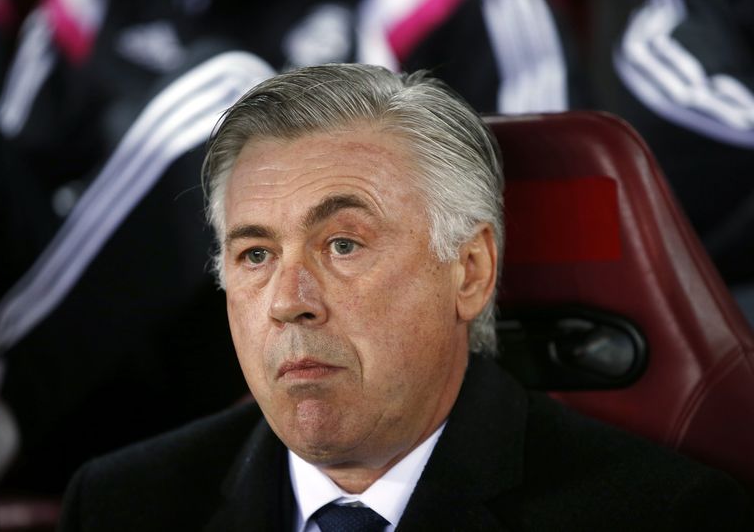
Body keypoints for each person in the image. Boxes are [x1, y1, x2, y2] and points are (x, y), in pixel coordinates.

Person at [57, 63, 754, 531]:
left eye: (343, 244)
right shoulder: (118, 506)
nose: (288, 300)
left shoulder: (668, 515)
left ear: (471, 271)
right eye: (257, 254)